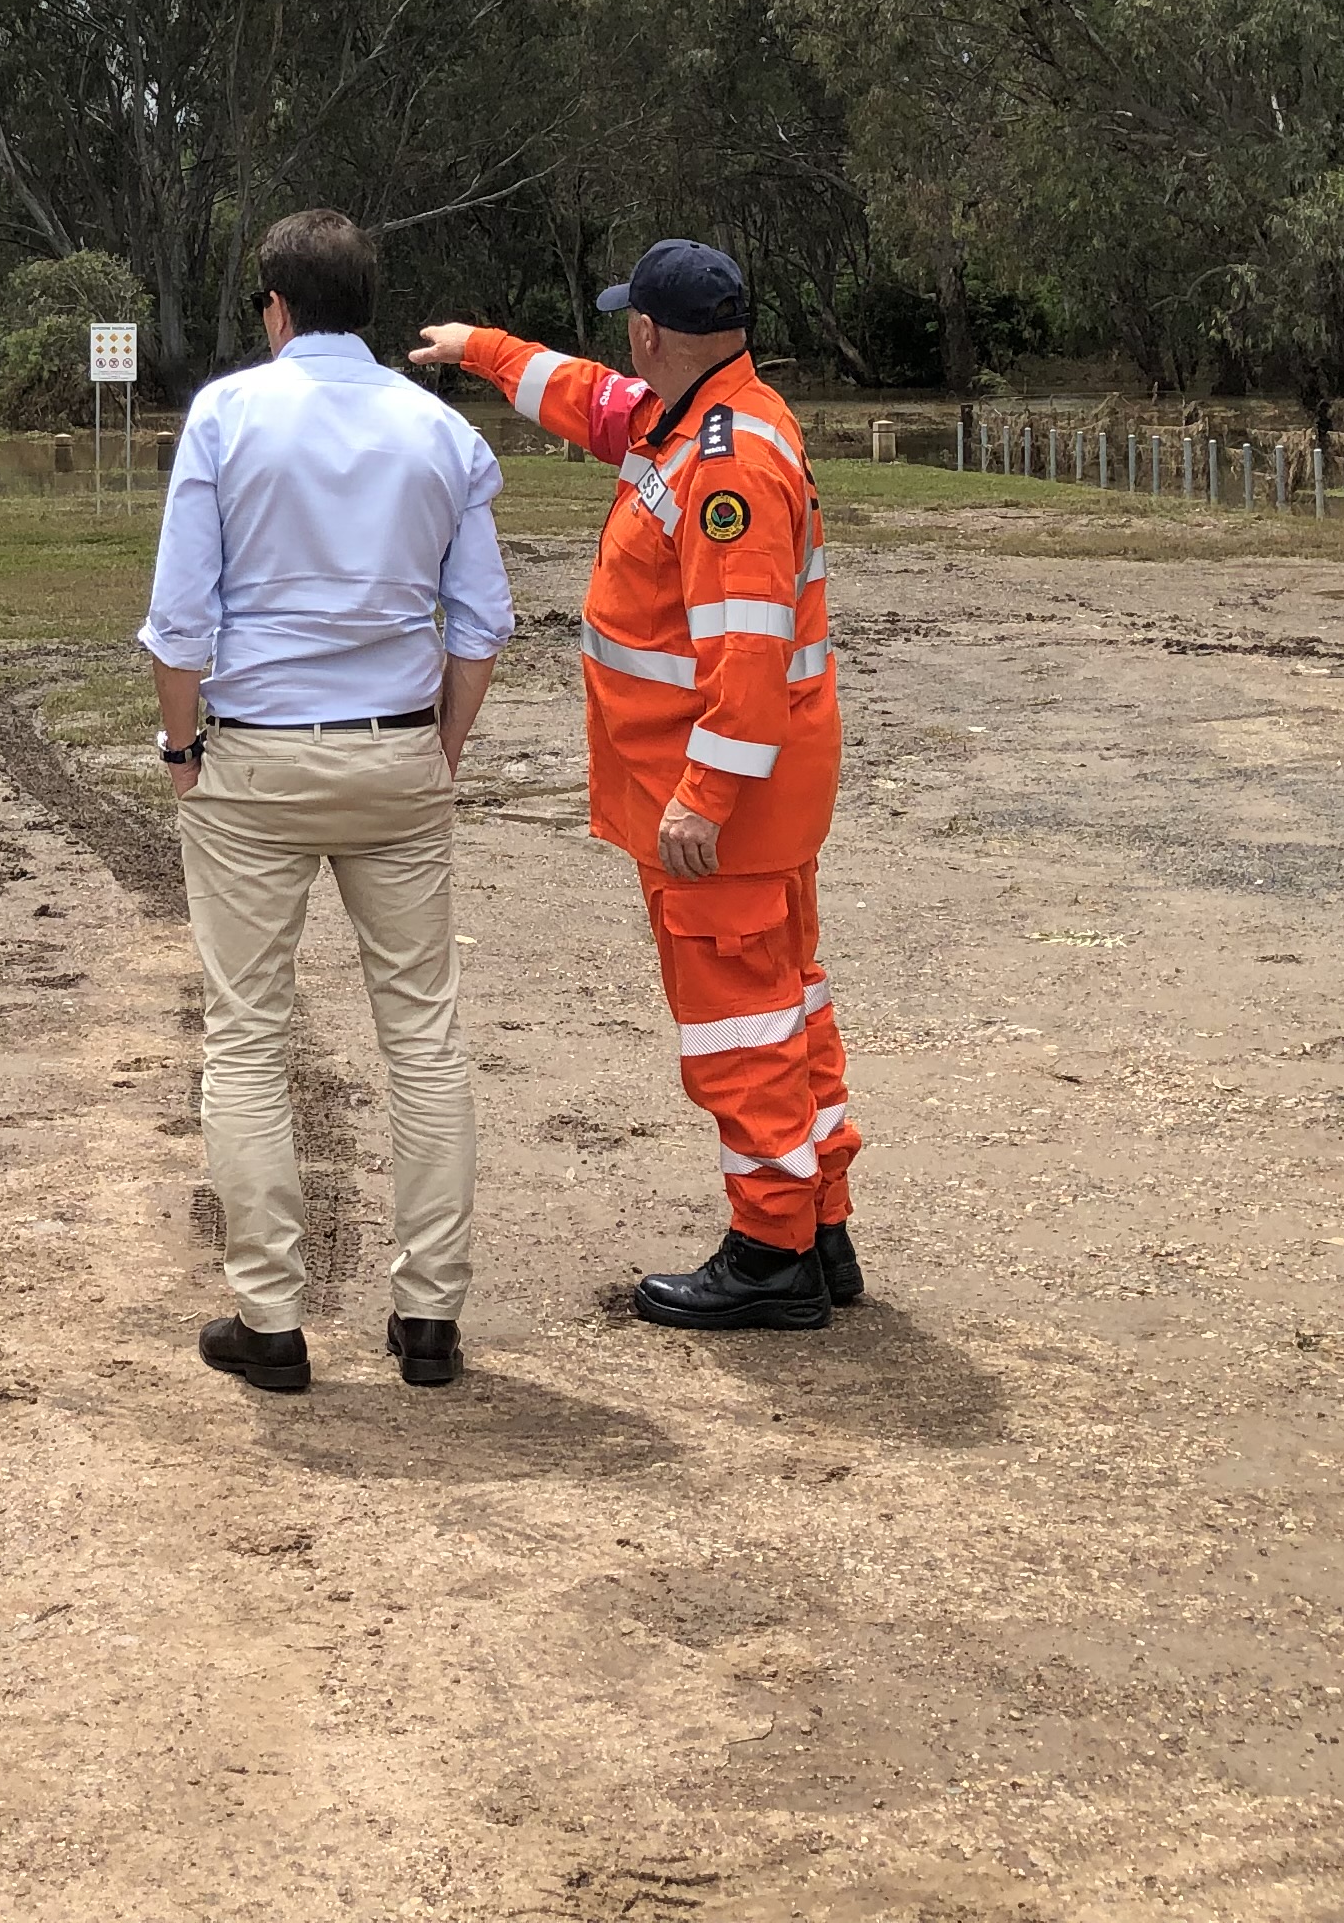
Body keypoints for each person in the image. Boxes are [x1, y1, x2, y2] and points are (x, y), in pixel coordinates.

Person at [409, 240, 856, 1331]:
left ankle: (768, 1256)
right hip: (748, 801)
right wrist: (478, 350)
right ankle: (816, 1224)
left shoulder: (726, 462)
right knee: (790, 1006)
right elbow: (582, 398)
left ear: (651, 331)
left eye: (628, 325)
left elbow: (744, 654)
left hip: (722, 811)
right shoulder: (696, 413)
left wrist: (704, 796)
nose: (621, 344)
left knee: (741, 1025)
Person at [143, 210, 514, 1395]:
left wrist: (179, 744)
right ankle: (429, 1314)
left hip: (254, 758)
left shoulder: (228, 415)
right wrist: (440, 746)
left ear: (276, 306)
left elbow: (181, 615)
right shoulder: (440, 430)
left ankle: (270, 1313)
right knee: (422, 1032)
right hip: (398, 754)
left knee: (246, 1036)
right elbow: (484, 623)